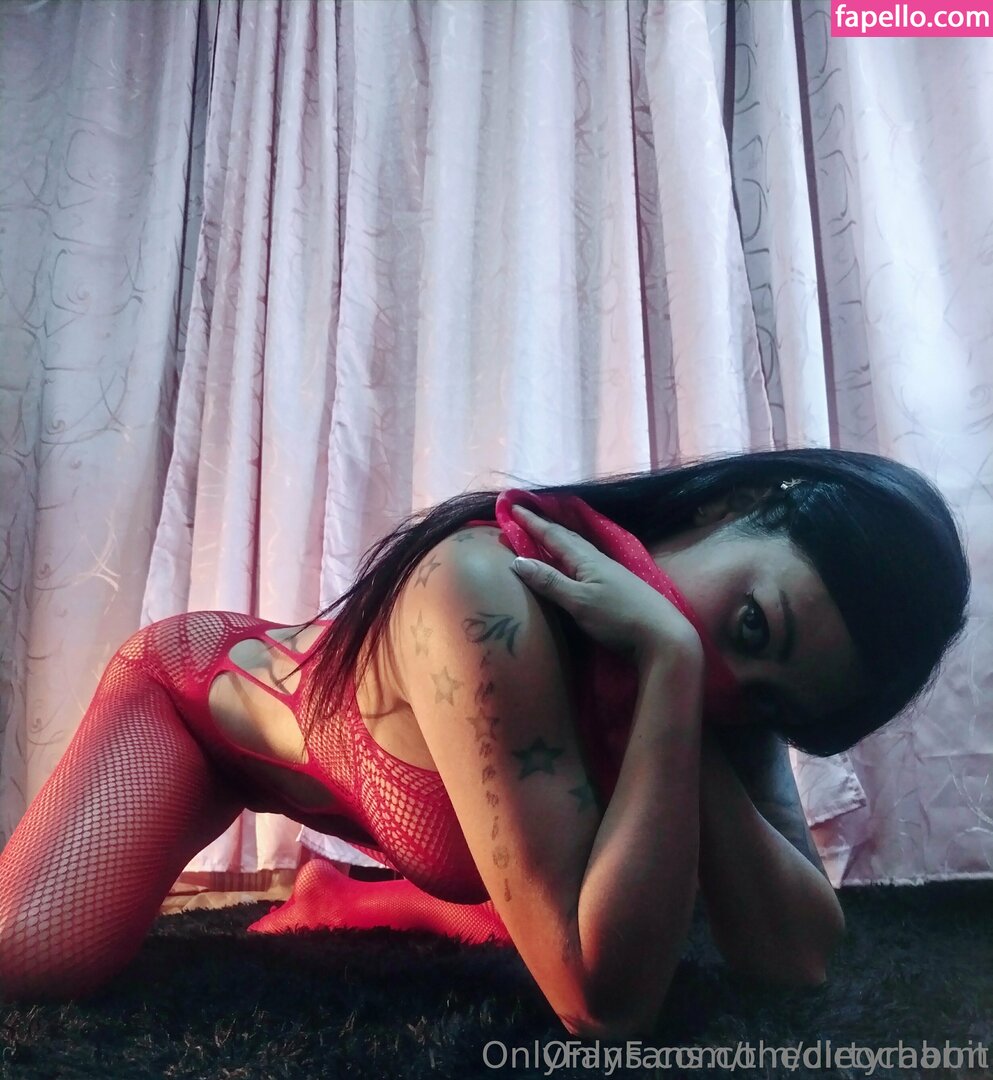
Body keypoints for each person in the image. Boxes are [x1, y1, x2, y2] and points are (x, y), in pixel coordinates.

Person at [0, 448, 969, 1038]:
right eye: (750, 625)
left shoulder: (708, 683)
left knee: (574, 875)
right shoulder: (486, 589)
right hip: (199, 706)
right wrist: (673, 666)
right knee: (31, 964)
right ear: (731, 507)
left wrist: (678, 686)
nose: (730, 680)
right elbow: (602, 1006)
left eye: (769, 703)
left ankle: (357, 896)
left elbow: (799, 957)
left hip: (408, 807)